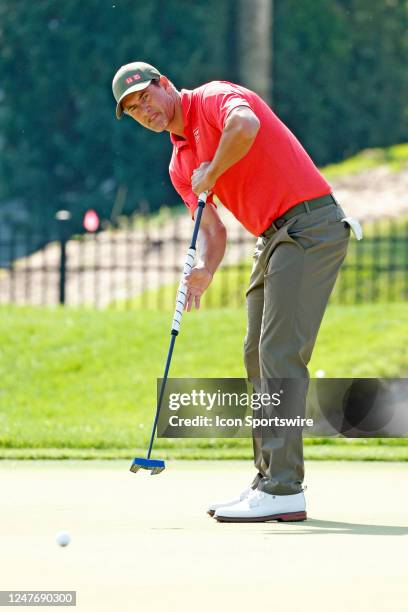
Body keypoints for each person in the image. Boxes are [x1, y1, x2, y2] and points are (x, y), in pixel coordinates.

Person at [112, 61, 351, 523]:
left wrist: (213, 169)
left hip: (310, 224)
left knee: (279, 352)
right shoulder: (180, 163)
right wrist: (204, 269)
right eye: (133, 109)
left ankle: (285, 486)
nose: (145, 111)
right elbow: (214, 230)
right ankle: (268, 481)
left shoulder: (214, 98)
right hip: (274, 238)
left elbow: (247, 124)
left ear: (164, 85)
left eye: (145, 97)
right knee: (254, 354)